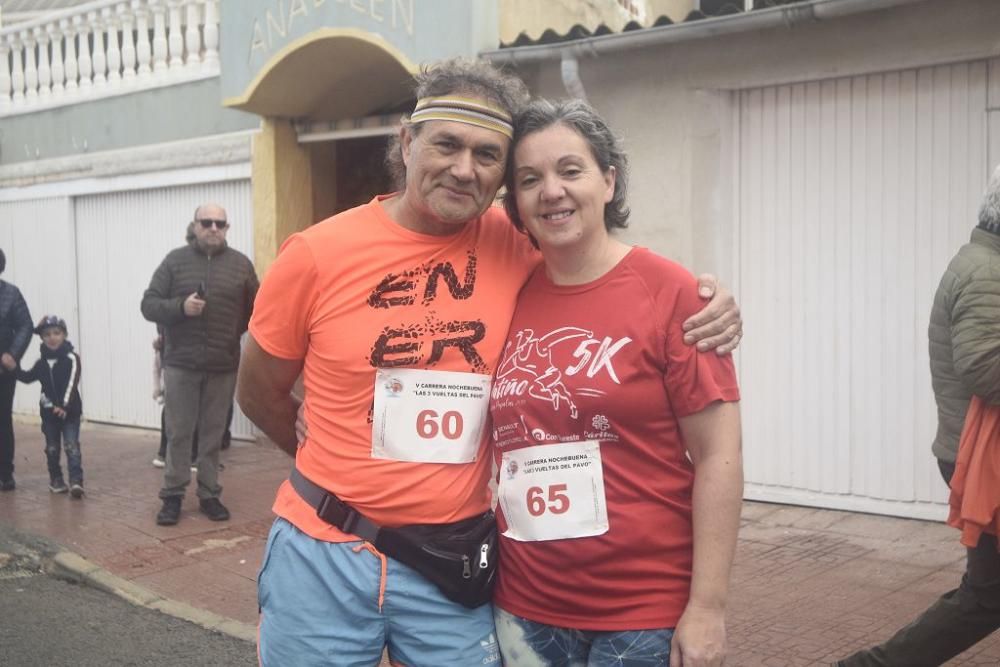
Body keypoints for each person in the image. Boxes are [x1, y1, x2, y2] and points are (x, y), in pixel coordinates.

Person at [237, 58, 742, 667]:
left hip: (450, 569)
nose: (463, 169)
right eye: (446, 144)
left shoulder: (517, 237)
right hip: (324, 548)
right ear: (406, 142)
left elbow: (601, 262)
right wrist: (320, 455)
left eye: (486, 155)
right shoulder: (316, 254)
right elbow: (259, 386)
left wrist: (708, 299)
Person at [488, 98, 743, 667]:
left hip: (641, 615)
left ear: (608, 181)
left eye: (570, 171)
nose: (551, 191)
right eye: (530, 179)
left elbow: (719, 455)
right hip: (524, 609)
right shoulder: (506, 293)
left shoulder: (673, 294)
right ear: (516, 204)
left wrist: (708, 606)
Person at [836, 166, 1000, 666]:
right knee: (985, 599)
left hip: (978, 456)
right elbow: (983, 367)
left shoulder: (983, 264)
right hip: (983, 463)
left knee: (987, 597)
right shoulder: (986, 272)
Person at [141, 203, 258, 526]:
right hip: (180, 363)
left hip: (222, 364)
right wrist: (181, 307)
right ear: (194, 226)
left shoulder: (240, 265)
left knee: (213, 433)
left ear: (226, 228)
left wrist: (233, 331)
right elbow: (148, 304)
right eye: (206, 222)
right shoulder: (174, 262)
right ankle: (173, 496)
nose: (213, 228)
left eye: (220, 223)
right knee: (179, 433)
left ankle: (209, 494)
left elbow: (257, 308)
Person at [17, 315, 85, 497]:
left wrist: (63, 405)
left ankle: (76, 481)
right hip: (49, 415)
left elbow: (72, 382)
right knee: (52, 448)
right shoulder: (41, 363)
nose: (52, 337)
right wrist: (12, 367)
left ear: (64, 335)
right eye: (47, 334)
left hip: (70, 413)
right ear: (41, 338)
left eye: (57, 333)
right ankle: (56, 480)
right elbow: (27, 377)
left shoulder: (71, 358)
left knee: (71, 446)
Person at [0, 248, 33, 491]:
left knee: (2, 420)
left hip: (4, 370)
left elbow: (25, 325)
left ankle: (5, 473)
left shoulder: (11, 294)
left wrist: (13, 353)